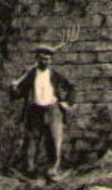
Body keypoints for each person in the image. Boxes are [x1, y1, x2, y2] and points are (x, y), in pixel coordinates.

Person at [11, 45, 75, 181]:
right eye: (41, 59)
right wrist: (13, 88)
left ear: (50, 61)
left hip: (53, 110)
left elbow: (71, 87)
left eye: (47, 59)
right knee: (32, 141)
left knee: (53, 140)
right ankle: (30, 172)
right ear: (37, 59)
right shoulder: (29, 75)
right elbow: (19, 94)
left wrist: (67, 103)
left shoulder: (55, 75)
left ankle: (52, 172)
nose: (44, 62)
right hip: (35, 110)